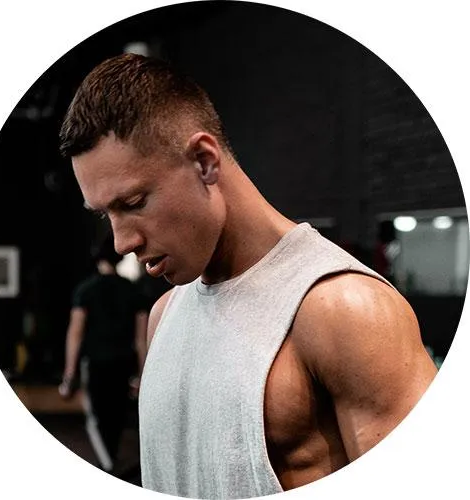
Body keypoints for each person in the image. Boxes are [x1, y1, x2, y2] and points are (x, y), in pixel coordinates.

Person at [59, 53, 437, 498]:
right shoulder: (164, 314)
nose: (122, 242)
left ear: (204, 161)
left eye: (134, 202)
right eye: (105, 214)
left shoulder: (344, 309)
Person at [58, 234, 148, 474]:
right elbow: (141, 340)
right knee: (116, 419)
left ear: (97, 258)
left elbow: (75, 334)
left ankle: (109, 468)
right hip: (123, 364)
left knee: (98, 420)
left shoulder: (85, 290)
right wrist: (143, 374)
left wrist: (69, 375)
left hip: (96, 364)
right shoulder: (134, 291)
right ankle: (111, 465)